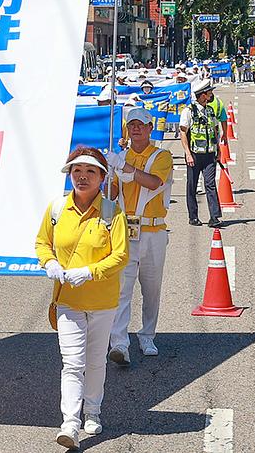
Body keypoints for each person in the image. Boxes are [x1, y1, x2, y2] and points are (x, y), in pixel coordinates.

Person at [36, 147, 128, 449]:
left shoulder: (112, 213)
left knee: (96, 360)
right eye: (77, 171)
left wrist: (89, 272)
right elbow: (42, 243)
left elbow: (120, 256)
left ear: (102, 177)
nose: (82, 177)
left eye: (90, 171)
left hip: (102, 301)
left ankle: (93, 411)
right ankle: (70, 423)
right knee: (72, 363)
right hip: (68, 301)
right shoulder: (56, 209)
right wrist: (49, 262)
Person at [106, 108, 173, 365]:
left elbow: (154, 182)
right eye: (131, 124)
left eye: (141, 125)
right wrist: (108, 174)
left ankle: (147, 336)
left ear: (149, 128)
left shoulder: (161, 156)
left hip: (153, 231)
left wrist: (124, 167)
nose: (136, 128)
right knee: (122, 290)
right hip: (125, 231)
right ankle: (119, 343)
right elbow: (111, 195)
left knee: (151, 289)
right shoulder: (120, 157)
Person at [180, 78, 223, 227]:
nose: (211, 94)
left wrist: (218, 149)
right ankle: (193, 217)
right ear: (203, 95)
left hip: (210, 154)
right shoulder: (188, 111)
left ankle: (214, 217)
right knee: (192, 186)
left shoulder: (210, 110)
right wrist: (187, 153)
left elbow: (215, 130)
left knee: (210, 184)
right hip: (194, 154)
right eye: (209, 92)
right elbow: (183, 132)